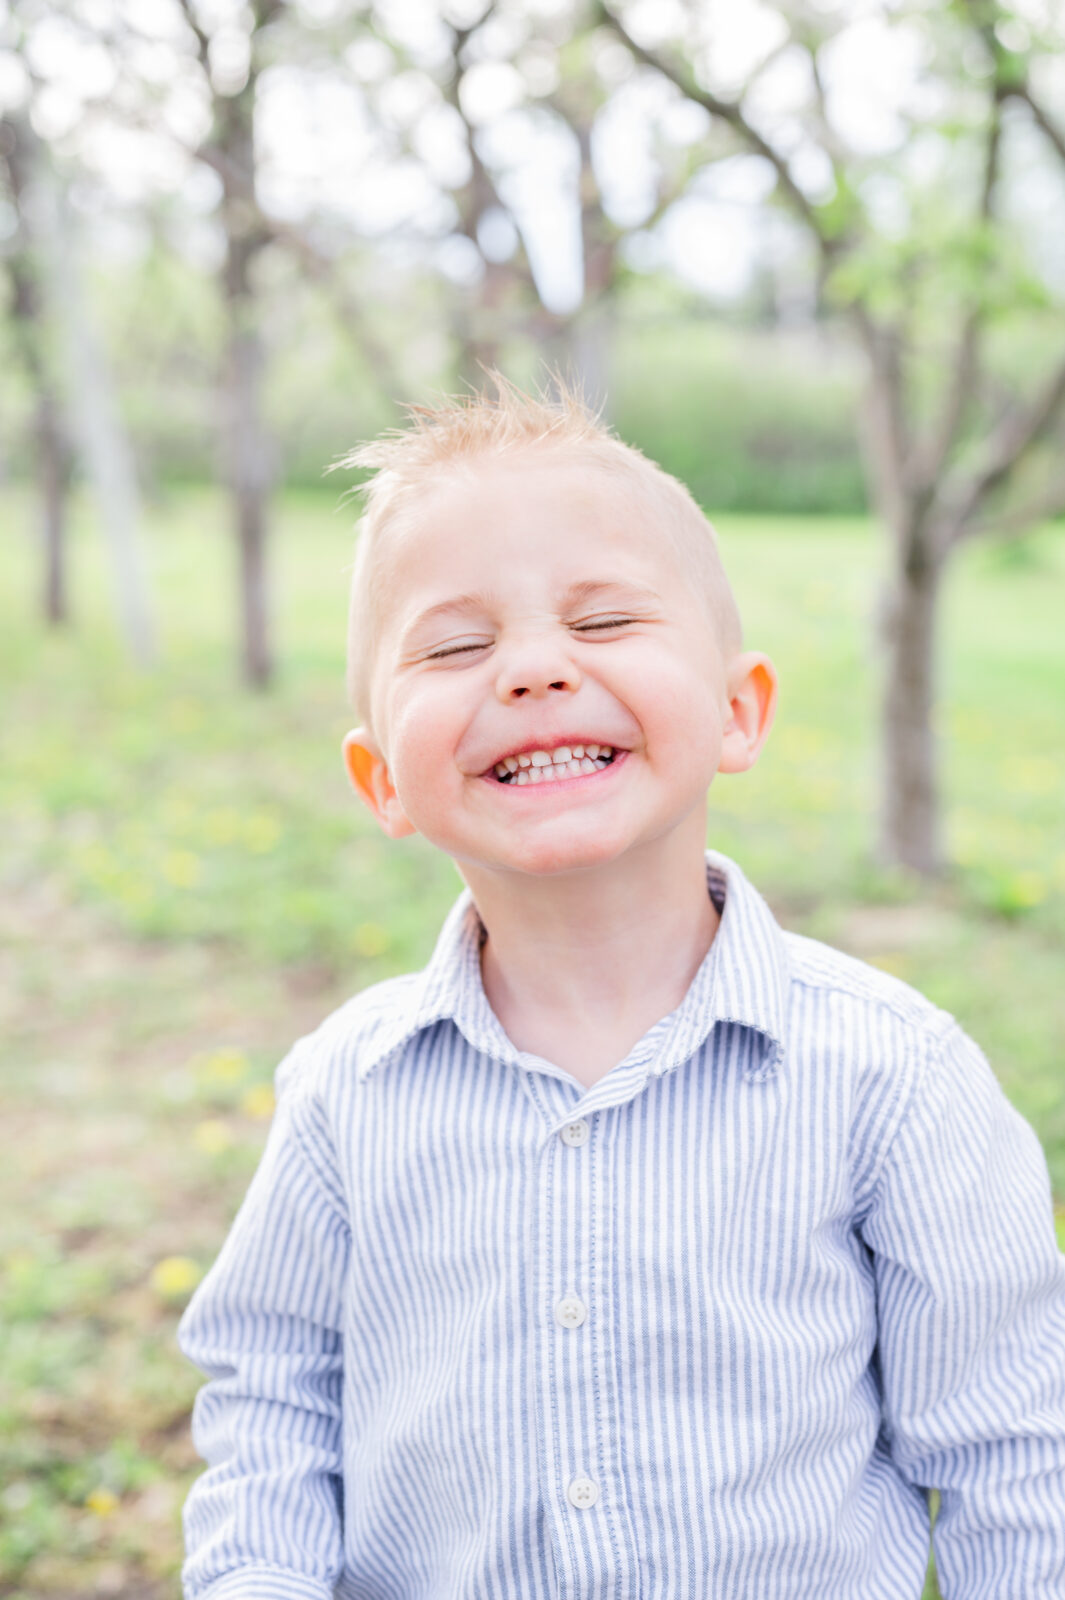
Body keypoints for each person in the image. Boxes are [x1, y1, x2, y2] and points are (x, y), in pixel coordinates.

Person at [177, 380, 1065, 1600]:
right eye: (455, 644)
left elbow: (1012, 1460)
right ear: (380, 778)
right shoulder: (347, 1092)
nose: (536, 669)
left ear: (739, 713)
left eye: (602, 623)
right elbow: (273, 1396)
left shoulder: (892, 1080)